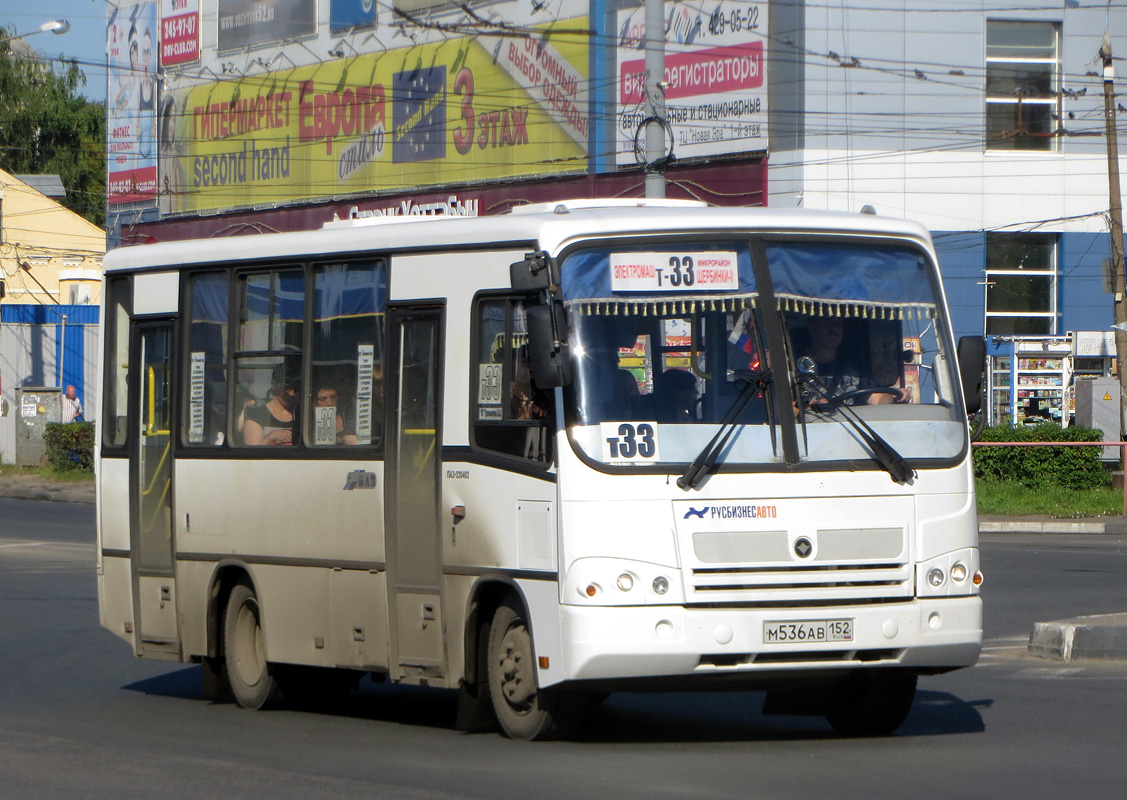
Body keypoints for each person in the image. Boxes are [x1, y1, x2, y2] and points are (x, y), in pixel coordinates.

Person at [799, 316, 904, 406]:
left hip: (848, 427)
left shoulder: (855, 369)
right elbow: (786, 408)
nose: (834, 328)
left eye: (839, 323)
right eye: (827, 322)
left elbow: (877, 399)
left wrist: (895, 398)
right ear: (811, 328)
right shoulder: (794, 367)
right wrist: (810, 407)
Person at [243, 370, 299, 445]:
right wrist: (271, 437)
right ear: (274, 384)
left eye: (296, 389)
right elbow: (251, 452)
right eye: (287, 388)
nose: (292, 393)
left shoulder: (302, 414)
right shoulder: (256, 415)